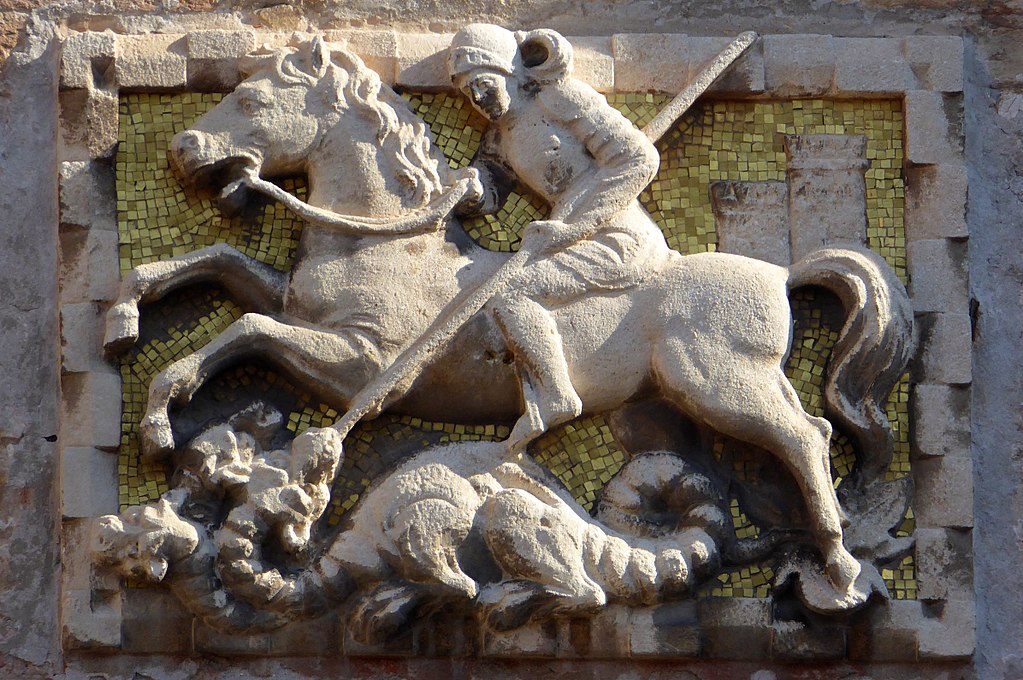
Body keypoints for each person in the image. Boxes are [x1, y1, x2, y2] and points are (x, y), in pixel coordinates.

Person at [449, 24, 674, 450]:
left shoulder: (560, 98)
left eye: (482, 84)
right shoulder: (499, 137)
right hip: (566, 234)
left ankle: (555, 395)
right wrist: (471, 189)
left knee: (512, 292)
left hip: (617, 235)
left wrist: (574, 227)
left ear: (510, 72)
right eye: (466, 94)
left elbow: (638, 158)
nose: (476, 100)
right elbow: (492, 187)